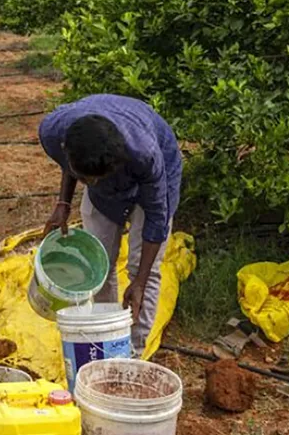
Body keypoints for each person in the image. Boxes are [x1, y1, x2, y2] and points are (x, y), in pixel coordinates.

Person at [39, 94, 182, 354]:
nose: (90, 184)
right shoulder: (53, 132)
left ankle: (133, 354)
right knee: (98, 266)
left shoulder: (145, 154)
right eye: (86, 179)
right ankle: (106, 341)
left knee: (144, 270)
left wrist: (138, 282)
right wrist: (63, 204)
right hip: (105, 179)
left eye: (96, 178)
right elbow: (68, 160)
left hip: (153, 176)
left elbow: (157, 218)